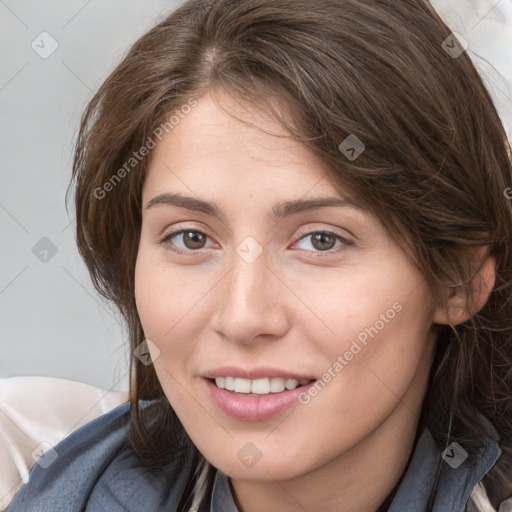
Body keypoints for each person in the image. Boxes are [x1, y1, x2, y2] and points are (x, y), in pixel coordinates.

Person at [7, 0, 512, 510]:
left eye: (321, 240)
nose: (242, 317)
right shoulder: (25, 476)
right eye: (191, 238)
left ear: (459, 277)